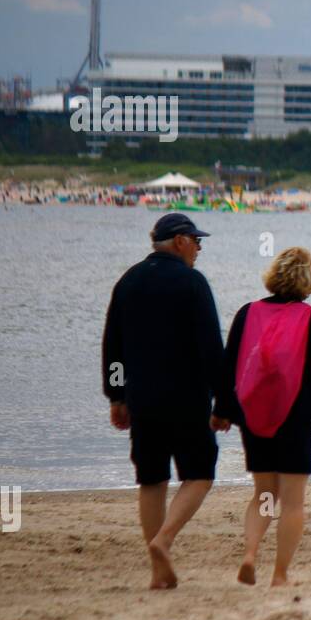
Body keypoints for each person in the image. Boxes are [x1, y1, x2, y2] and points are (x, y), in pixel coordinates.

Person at [102, 213, 227, 590]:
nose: (200, 247)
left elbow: (113, 346)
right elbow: (210, 347)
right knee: (200, 473)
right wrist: (223, 401)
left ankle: (158, 569)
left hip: (143, 400)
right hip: (187, 398)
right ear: (178, 242)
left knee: (151, 478)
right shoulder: (192, 283)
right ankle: (164, 540)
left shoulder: (128, 281)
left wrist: (117, 396)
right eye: (196, 240)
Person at [216, 247, 311, 587]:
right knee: (293, 501)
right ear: (310, 279)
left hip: (254, 415)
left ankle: (250, 554)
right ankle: (280, 574)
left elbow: (228, 366)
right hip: (297, 418)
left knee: (264, 495)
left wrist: (222, 411)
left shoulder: (246, 313)